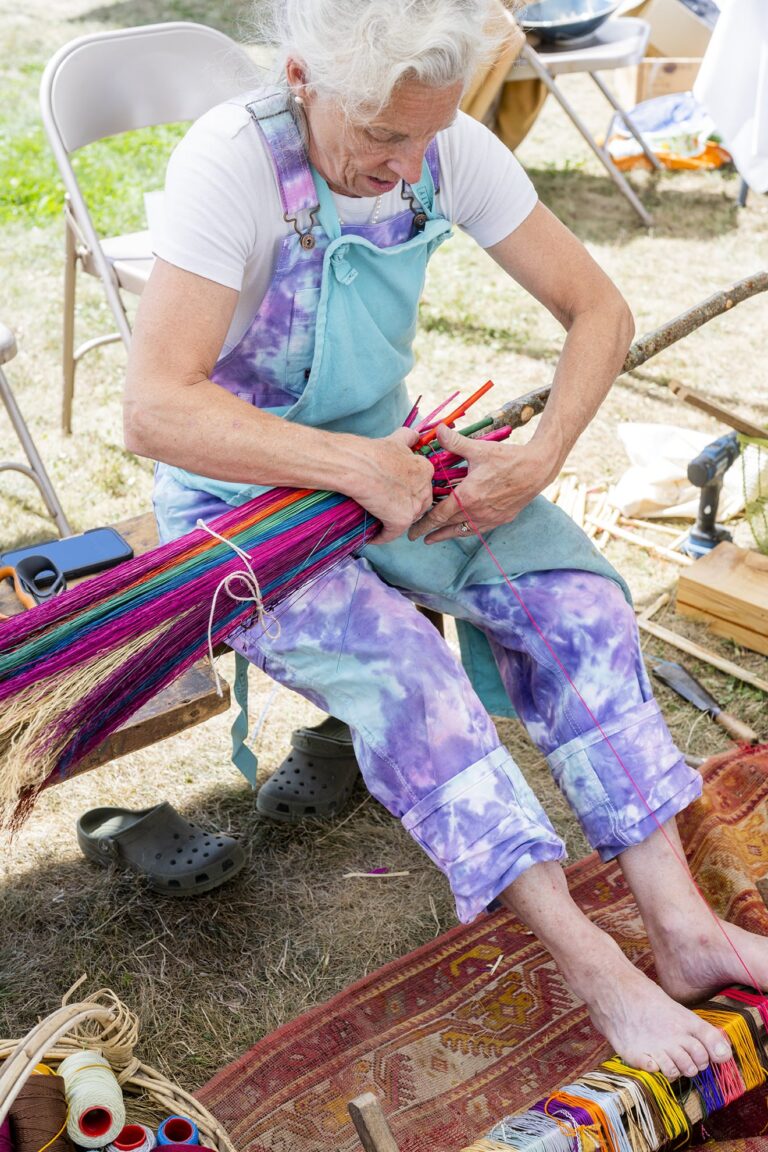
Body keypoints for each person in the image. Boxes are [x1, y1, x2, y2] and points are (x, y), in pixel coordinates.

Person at [123, 0, 768, 1081]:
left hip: (398, 467)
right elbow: (155, 412)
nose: (406, 164)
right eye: (381, 137)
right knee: (414, 678)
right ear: (300, 78)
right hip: (247, 509)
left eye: (427, 135)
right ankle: (594, 966)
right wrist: (346, 466)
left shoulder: (435, 138)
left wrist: (540, 456)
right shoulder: (233, 164)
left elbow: (598, 310)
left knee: (580, 605)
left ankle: (683, 930)